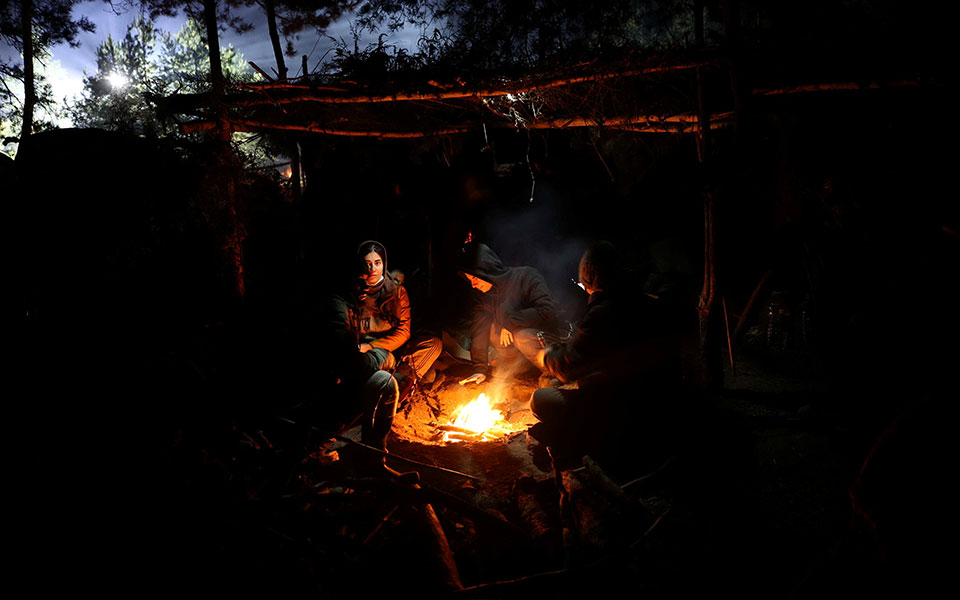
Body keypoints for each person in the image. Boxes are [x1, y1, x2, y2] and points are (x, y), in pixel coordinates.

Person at [530, 241, 681, 459]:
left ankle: (595, 439)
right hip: (661, 400)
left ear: (590, 277)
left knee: (541, 399)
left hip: (627, 409)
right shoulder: (644, 300)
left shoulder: (605, 311)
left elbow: (569, 368)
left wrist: (548, 357)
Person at [344, 240, 442, 401]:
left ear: (384, 264)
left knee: (433, 344)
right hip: (359, 353)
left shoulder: (397, 292)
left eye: (377, 263)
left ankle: (399, 386)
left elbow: (403, 331)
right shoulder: (349, 291)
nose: (372, 269)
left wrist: (372, 346)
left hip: (391, 350)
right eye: (367, 263)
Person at [458, 241, 562, 379]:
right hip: (520, 353)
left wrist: (511, 322)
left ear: (487, 269)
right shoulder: (485, 296)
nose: (473, 284)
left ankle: (555, 373)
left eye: (474, 277)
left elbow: (548, 310)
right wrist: (480, 368)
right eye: (470, 279)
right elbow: (480, 329)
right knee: (491, 329)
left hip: (547, 342)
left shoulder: (525, 276)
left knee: (522, 335)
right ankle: (521, 368)